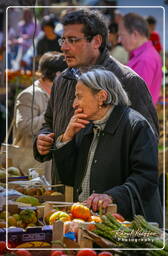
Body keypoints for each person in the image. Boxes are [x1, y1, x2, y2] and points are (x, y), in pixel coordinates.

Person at [33, 9, 159, 186]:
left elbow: (148, 144)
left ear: (97, 41)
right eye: (63, 39)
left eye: (73, 40)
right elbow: (49, 122)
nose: (63, 47)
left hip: (108, 202)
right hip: (64, 194)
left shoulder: (127, 81)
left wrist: (119, 195)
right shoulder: (63, 79)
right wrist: (43, 139)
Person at [53, 68, 162, 224]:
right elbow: (69, 178)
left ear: (102, 97)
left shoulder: (136, 126)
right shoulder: (85, 126)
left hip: (127, 226)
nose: (74, 104)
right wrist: (66, 138)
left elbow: (146, 178)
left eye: (79, 96)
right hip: (92, 222)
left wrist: (112, 196)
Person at [13, 52, 67, 181]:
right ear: (58, 74)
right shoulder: (30, 94)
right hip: (30, 162)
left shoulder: (59, 92)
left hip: (49, 163)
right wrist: (53, 113)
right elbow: (24, 126)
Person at [119, 12, 162, 105]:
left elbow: (135, 100)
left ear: (134, 34)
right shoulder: (143, 55)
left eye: (122, 35)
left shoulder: (145, 60)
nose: (120, 40)